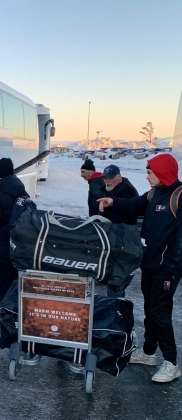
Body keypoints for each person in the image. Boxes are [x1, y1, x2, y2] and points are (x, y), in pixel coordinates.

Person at [97, 153, 181, 383]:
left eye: (150, 172)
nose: (146, 176)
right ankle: (149, 353)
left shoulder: (178, 196)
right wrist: (112, 201)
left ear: (163, 172)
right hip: (151, 264)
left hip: (166, 269)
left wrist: (172, 268)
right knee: (150, 309)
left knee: (159, 312)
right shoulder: (155, 193)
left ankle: (171, 362)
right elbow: (134, 205)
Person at [0, 158, 29, 338]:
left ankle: (2, 328)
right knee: (17, 289)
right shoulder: (23, 194)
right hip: (19, 252)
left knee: (2, 291)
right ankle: (19, 325)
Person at [98, 164, 140, 297]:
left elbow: (128, 212)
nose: (107, 181)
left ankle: (116, 308)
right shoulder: (108, 189)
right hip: (110, 238)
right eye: (105, 178)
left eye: (110, 178)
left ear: (119, 177)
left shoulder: (127, 191)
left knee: (117, 277)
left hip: (122, 240)